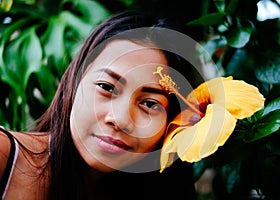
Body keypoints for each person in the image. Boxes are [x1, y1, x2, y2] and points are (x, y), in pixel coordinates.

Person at [0, 11, 204, 200]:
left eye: (150, 104)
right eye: (106, 87)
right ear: (74, 82)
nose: (120, 120)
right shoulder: (4, 155)